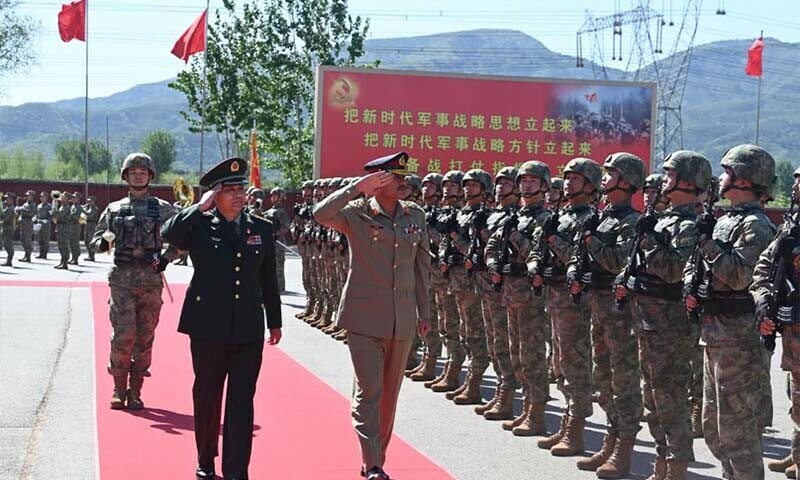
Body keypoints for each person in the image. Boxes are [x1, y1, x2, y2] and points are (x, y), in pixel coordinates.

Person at [161, 156, 282, 480]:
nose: (239, 195)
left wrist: (275, 320)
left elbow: (268, 279)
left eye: (242, 189)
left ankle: (236, 471)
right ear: (215, 194)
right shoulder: (199, 225)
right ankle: (205, 459)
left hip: (247, 328)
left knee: (242, 401)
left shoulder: (261, 228)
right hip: (207, 327)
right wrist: (198, 208)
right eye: (230, 190)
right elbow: (169, 234)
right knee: (207, 395)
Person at [313, 152, 431, 480]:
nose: (405, 181)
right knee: (369, 392)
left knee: (389, 397)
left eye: (406, 176)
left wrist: (425, 312)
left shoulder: (415, 216)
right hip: (363, 318)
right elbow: (321, 214)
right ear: (378, 180)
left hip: (402, 319)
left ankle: (378, 456)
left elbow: (422, 267)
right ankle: (372, 464)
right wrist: (356, 187)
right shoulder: (356, 214)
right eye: (396, 176)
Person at [615, 150, 711, 479]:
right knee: (653, 400)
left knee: (670, 401)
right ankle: (661, 463)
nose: (664, 179)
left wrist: (651, 240)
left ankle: (676, 467)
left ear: (688, 180)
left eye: (672, 174)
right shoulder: (664, 219)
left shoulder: (692, 225)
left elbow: (673, 270)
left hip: (671, 326)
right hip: (647, 320)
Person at [685, 144, 776, 480]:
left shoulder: (755, 225)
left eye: (727, 172)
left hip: (739, 340)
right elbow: (701, 267)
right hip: (716, 334)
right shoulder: (727, 220)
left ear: (743, 179)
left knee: (739, 431)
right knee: (715, 427)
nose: (721, 179)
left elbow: (740, 275)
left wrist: (708, 242)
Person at [569, 153, 645, 477]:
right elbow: (578, 255)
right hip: (597, 308)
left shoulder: (633, 222)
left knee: (623, 380)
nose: (604, 178)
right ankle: (611, 438)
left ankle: (624, 447)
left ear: (626, 182)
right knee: (604, 379)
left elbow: (617, 263)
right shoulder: (602, 218)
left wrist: (591, 240)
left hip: (620, 314)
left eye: (610, 173)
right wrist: (575, 267)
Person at [90, 153, 177, 410]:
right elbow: (95, 242)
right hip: (122, 281)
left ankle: (136, 390)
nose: (138, 175)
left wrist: (166, 258)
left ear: (150, 176)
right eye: (133, 172)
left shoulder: (163, 209)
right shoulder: (114, 209)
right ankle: (118, 389)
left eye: (143, 172)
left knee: (145, 337)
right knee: (123, 335)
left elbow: (181, 240)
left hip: (150, 281)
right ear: (125, 176)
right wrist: (105, 241)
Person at [753, 164, 800, 478]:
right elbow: (763, 268)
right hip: (791, 329)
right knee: (795, 393)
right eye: (796, 182)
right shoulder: (791, 228)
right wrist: (763, 303)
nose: (796, 187)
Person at [265, 186, 291, 292]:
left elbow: (286, 225)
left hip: (278, 242)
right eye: (272, 195)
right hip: (269, 241)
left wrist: (277, 234)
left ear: (280, 197)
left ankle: (279, 288)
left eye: (275, 195)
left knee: (278, 266)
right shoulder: (270, 211)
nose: (272, 197)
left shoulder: (281, 212)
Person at [16, 190, 37, 262]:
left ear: (32, 197)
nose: (27, 196)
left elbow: (30, 213)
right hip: (23, 223)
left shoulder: (32, 204)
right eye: (27, 195)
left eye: (28, 195)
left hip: (28, 223)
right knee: (23, 239)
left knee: (27, 240)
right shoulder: (26, 203)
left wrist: (21, 209)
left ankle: (28, 256)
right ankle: (25, 255)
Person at [83, 195, 100, 261]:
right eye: (88, 201)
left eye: (90, 201)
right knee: (86, 241)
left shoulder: (95, 209)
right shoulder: (87, 207)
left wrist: (82, 210)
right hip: (87, 224)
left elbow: (89, 215)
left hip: (92, 225)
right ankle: (89, 255)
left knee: (91, 240)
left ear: (93, 201)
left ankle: (92, 256)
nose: (88, 202)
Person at [36, 191, 53, 259]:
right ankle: (40, 253)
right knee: (40, 239)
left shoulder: (49, 206)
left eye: (43, 196)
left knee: (45, 240)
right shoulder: (39, 205)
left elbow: (51, 216)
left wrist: (47, 221)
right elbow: (37, 214)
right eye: (41, 196)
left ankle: (44, 254)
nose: (41, 198)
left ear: (46, 197)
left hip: (46, 225)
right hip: (39, 224)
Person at [1, 193, 16, 266]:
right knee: (5, 244)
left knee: (8, 244)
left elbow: (5, 218)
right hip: (5, 228)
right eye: (6, 198)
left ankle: (9, 261)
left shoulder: (10, 208)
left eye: (8, 199)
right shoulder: (7, 207)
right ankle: (8, 261)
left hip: (8, 228)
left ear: (12, 200)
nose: (6, 200)